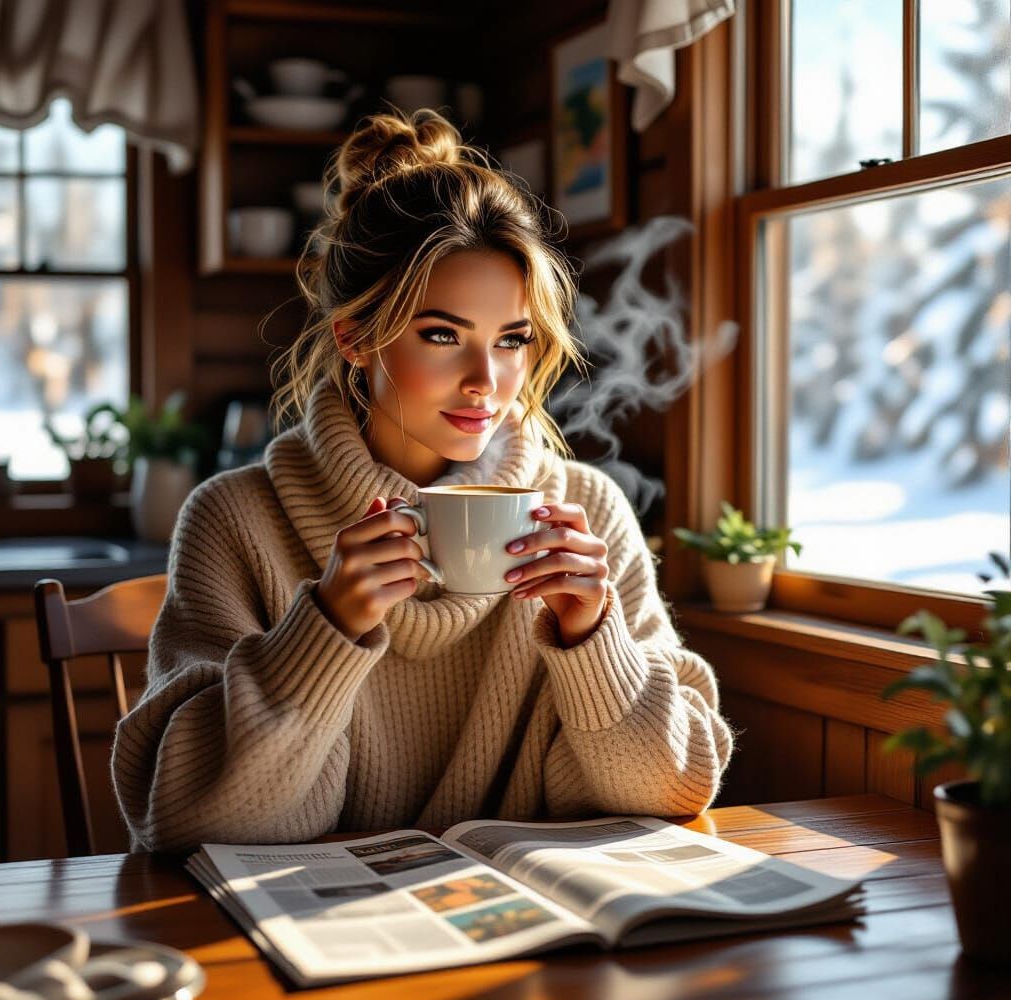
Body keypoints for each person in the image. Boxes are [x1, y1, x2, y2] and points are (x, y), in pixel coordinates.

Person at [111, 107, 735, 854]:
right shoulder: (235, 520)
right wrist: (328, 629)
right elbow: (188, 819)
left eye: (512, 341)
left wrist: (593, 639)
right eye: (442, 336)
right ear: (354, 335)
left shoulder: (584, 511)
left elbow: (675, 788)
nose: (487, 382)